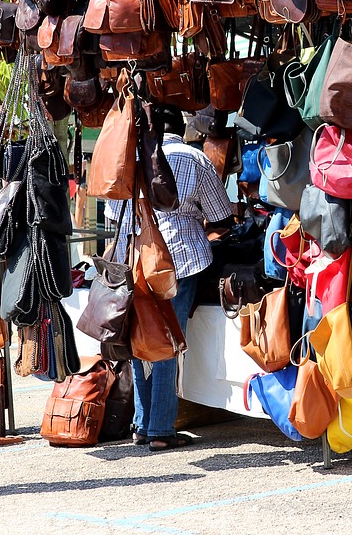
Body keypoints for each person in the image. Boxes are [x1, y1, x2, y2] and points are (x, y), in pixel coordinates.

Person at [106, 103, 233, 452]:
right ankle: (161, 429)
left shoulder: (125, 160)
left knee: (140, 339)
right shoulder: (193, 158)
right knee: (166, 344)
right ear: (181, 125)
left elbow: (112, 213)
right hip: (180, 262)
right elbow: (222, 215)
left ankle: (143, 424)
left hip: (133, 264)